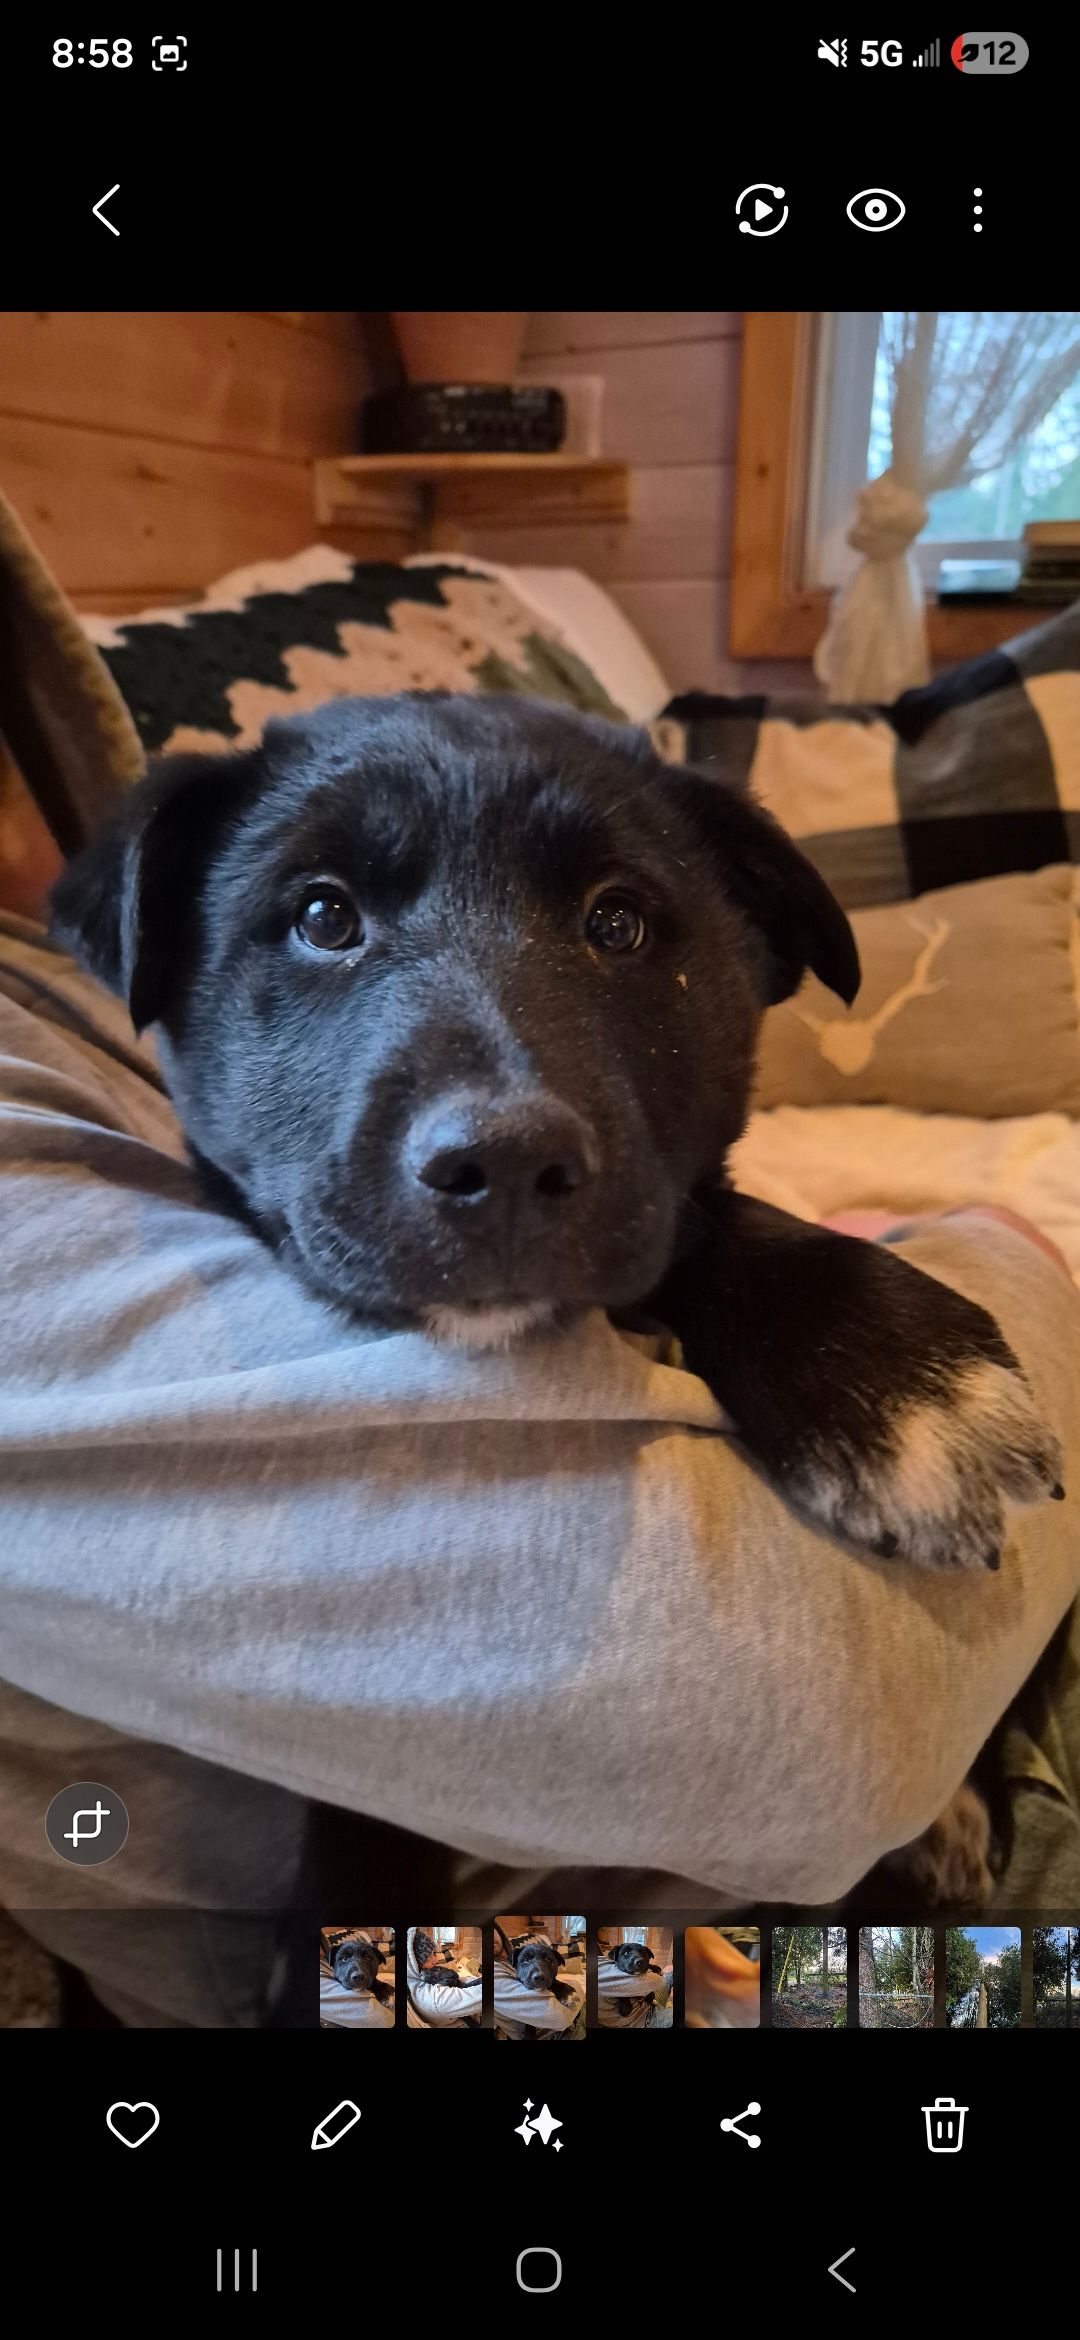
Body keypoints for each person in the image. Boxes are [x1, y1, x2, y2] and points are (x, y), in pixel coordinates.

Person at [1, 494, 1078, 2024]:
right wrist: (1018, 1266)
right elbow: (830, 1718)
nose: (499, 1110)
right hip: (682, 1962)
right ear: (151, 956)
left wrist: (760, 1270)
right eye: (322, 914)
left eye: (624, 924)